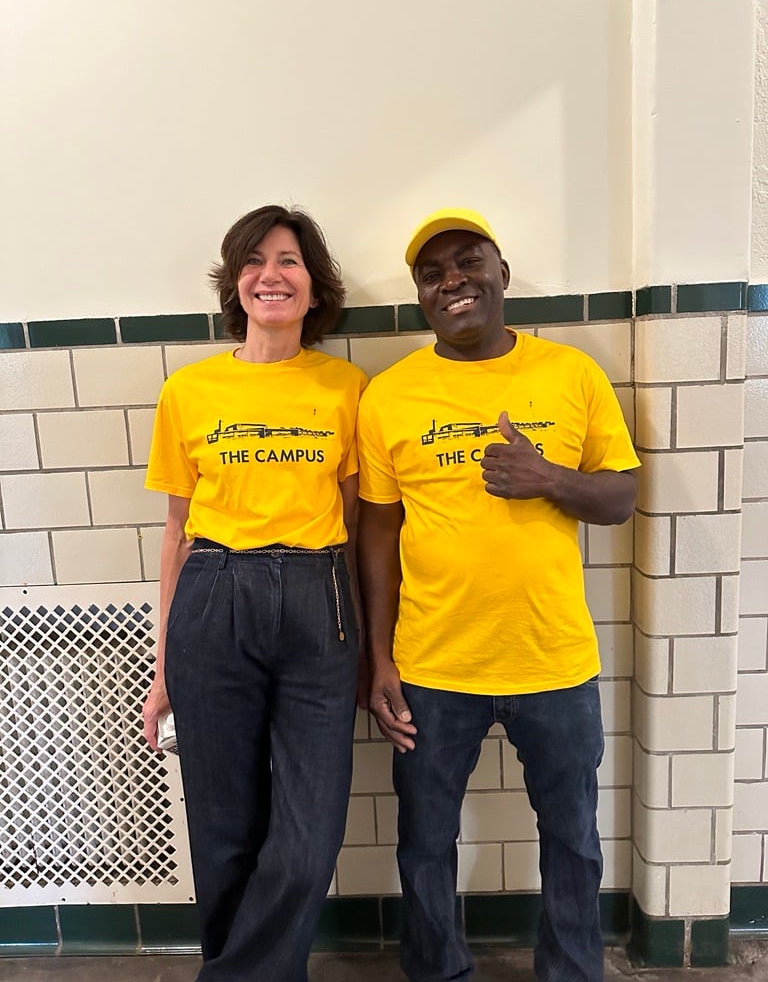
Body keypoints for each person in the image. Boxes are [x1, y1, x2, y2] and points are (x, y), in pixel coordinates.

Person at [356, 208, 640, 982]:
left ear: (502, 274)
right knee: (423, 841)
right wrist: (378, 660)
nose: (453, 280)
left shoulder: (571, 373)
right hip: (433, 665)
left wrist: (546, 478)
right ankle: (438, 972)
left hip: (553, 659)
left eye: (468, 261)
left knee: (574, 838)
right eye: (433, 271)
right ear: (422, 295)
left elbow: (621, 497)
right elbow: (376, 536)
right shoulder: (389, 396)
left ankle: (572, 973)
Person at [142, 204, 367, 982]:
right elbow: (174, 531)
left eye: (289, 261)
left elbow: (357, 518)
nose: (270, 274)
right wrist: (163, 663)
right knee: (223, 826)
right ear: (235, 284)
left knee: (308, 834)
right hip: (213, 593)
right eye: (254, 262)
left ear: (314, 288)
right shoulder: (189, 389)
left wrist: (373, 651)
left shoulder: (347, 388)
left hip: (319, 598)